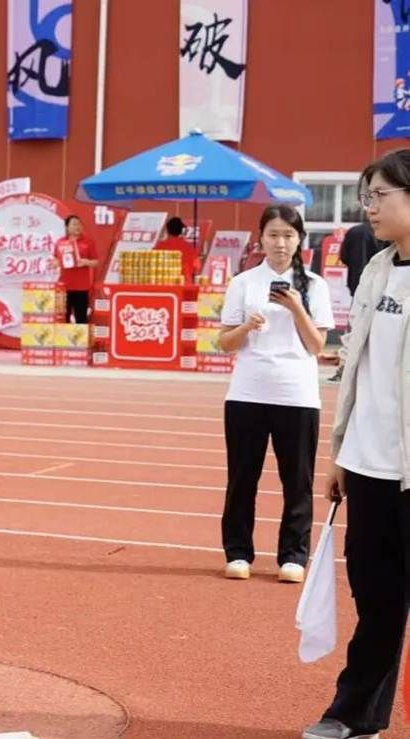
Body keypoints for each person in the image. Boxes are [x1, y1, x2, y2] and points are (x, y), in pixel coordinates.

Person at [302, 150, 410, 739]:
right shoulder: (375, 271)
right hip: (368, 465)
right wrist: (341, 453)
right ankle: (355, 713)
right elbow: (357, 370)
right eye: (366, 196)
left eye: (379, 196)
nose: (368, 207)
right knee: (376, 598)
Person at [216, 205, 334, 584]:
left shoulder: (314, 285)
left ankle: (293, 556)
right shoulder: (243, 283)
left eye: (288, 235)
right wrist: (246, 327)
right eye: (273, 235)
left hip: (297, 394)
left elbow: (317, 346)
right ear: (261, 239)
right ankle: (238, 553)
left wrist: (297, 308)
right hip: (247, 393)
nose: (280, 243)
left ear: (300, 240)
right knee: (242, 478)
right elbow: (225, 343)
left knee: (297, 481)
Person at [329, 222, 386, 383]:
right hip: (382, 288)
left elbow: (344, 257)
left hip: (359, 289)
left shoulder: (354, 232)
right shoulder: (385, 234)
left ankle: (345, 369)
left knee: (354, 331)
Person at [56, 214, 100, 324]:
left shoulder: (88, 242)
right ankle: (63, 336)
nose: (78, 226)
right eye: (75, 224)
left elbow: (96, 262)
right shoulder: (60, 242)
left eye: (79, 224)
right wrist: (54, 263)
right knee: (62, 319)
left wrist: (86, 262)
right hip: (63, 287)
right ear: (67, 227)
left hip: (81, 288)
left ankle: (81, 336)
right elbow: (55, 259)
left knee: (81, 319)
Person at [153, 216, 200, 283]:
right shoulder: (189, 248)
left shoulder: (159, 247)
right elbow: (196, 268)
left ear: (167, 231)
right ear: (181, 231)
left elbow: (152, 266)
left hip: (164, 284)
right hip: (185, 284)